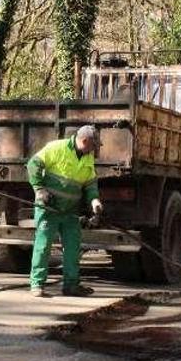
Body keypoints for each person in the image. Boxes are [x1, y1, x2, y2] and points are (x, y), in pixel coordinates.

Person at [27, 125, 104, 297]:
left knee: (72, 248)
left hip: (70, 211)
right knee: (43, 246)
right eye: (94, 145)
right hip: (49, 208)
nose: (95, 150)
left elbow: (90, 182)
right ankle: (37, 284)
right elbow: (33, 164)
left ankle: (71, 286)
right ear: (85, 141)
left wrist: (94, 200)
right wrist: (39, 189)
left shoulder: (88, 156)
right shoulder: (57, 148)